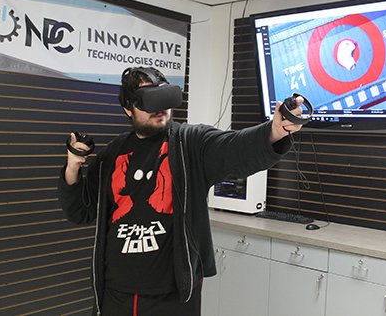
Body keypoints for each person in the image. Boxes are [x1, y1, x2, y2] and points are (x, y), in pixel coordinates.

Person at [58, 67, 304, 316]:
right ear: (128, 109)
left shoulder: (190, 143)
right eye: (148, 101)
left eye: (163, 97)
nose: (160, 107)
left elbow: (234, 148)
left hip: (172, 294)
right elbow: (80, 211)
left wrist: (274, 130)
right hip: (115, 293)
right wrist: (73, 166)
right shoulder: (112, 155)